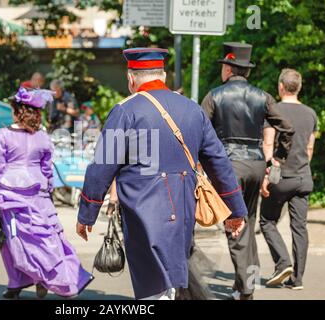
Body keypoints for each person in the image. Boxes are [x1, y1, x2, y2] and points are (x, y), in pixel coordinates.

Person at [76, 47, 247, 300]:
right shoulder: (192, 109)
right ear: (164, 75)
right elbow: (218, 162)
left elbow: (101, 167)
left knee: (152, 288)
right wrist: (235, 210)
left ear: (131, 78)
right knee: (172, 281)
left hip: (142, 210)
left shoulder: (125, 110)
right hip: (184, 208)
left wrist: (87, 212)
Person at [201, 42, 295, 300]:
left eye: (223, 66)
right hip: (255, 165)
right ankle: (245, 281)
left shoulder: (214, 96)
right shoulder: (263, 96)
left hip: (228, 166)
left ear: (229, 69)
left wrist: (201, 164)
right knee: (248, 222)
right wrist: (277, 158)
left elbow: (198, 132)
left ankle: (245, 290)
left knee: (235, 226)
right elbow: (287, 128)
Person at [0, 87, 93, 300]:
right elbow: (46, 169)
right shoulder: (43, 137)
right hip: (39, 194)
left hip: (10, 194)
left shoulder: (3, 135)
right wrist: (48, 190)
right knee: (46, 238)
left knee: (14, 241)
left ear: (17, 112)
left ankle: (23, 282)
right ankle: (42, 279)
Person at [260, 69, 318, 290]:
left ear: (281, 87)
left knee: (266, 221)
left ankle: (283, 262)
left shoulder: (274, 110)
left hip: (280, 177)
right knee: (300, 228)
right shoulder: (311, 113)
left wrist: (268, 173)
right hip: (303, 177)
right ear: (299, 87)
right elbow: (310, 147)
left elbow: (268, 143)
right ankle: (298, 279)